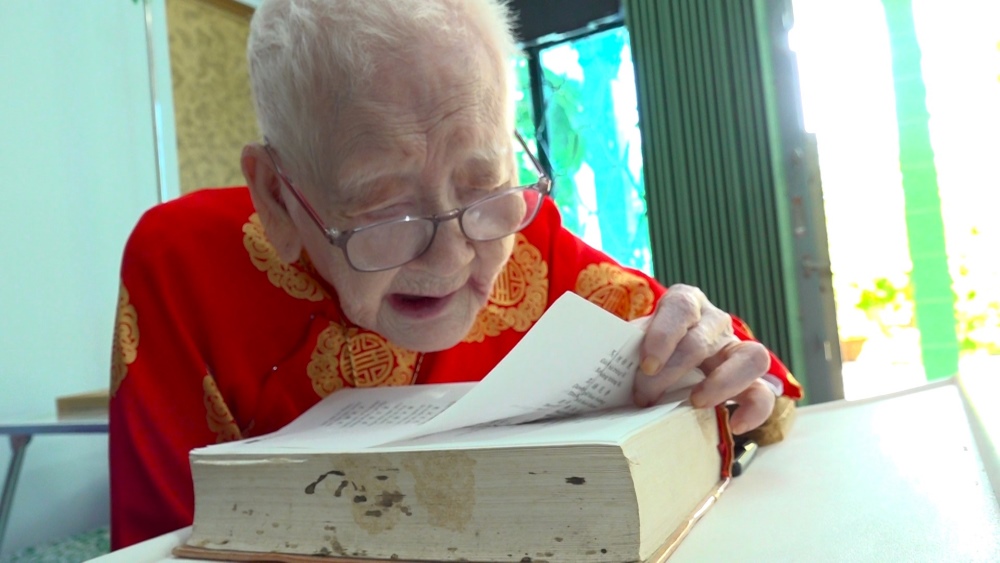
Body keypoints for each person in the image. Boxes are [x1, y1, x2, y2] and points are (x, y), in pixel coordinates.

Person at [108, 0, 802, 550]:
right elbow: (160, 542)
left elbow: (742, 369)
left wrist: (706, 360)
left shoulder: (523, 230)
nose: (450, 260)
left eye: (481, 182)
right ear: (279, 197)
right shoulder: (183, 265)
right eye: (385, 209)